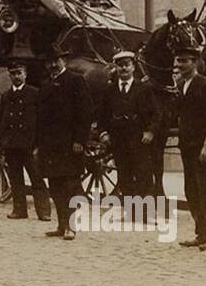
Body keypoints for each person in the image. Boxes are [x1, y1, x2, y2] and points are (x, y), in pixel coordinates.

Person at [37, 44, 93, 238]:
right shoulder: (45, 85)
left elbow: (84, 113)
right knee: (55, 187)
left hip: (70, 144)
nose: (53, 65)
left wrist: (80, 140)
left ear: (64, 61)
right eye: (49, 62)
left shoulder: (75, 81)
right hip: (50, 145)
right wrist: (38, 144)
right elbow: (41, 117)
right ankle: (61, 225)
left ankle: (71, 226)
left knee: (69, 186)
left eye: (57, 61)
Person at [175, 42, 206, 250]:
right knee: (192, 189)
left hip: (202, 147)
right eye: (179, 61)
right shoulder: (180, 85)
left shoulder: (205, 85)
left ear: (195, 63)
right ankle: (201, 233)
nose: (181, 65)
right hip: (187, 146)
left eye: (185, 61)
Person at [0, 58, 50, 221]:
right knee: (15, 178)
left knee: (36, 178)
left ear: (25, 75)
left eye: (19, 73)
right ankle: (19, 210)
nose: (16, 76)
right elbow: (0, 120)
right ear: (9, 76)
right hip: (11, 144)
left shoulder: (34, 93)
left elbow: (41, 120)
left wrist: (39, 143)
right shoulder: (6, 96)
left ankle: (43, 211)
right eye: (13, 74)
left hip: (29, 144)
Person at [95, 51, 157, 198]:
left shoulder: (144, 88)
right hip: (118, 141)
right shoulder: (110, 90)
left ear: (133, 67)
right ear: (115, 67)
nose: (123, 69)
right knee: (124, 177)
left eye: (127, 65)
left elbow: (155, 113)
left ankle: (144, 214)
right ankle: (131, 214)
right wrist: (103, 133)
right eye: (120, 65)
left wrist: (150, 132)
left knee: (143, 176)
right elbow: (101, 115)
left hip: (139, 140)